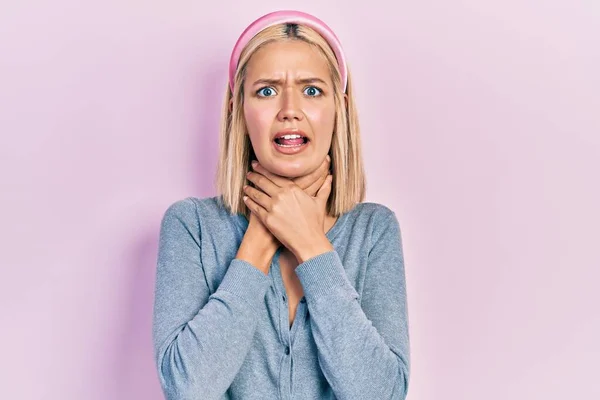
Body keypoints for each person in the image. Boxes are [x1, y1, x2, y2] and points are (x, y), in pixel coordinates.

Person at [152, 10, 410, 400]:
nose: (290, 109)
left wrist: (312, 246)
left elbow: (381, 393)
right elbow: (188, 389)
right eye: (267, 91)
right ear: (236, 108)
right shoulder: (192, 226)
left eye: (311, 90)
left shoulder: (374, 230)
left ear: (338, 107)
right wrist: (257, 240)